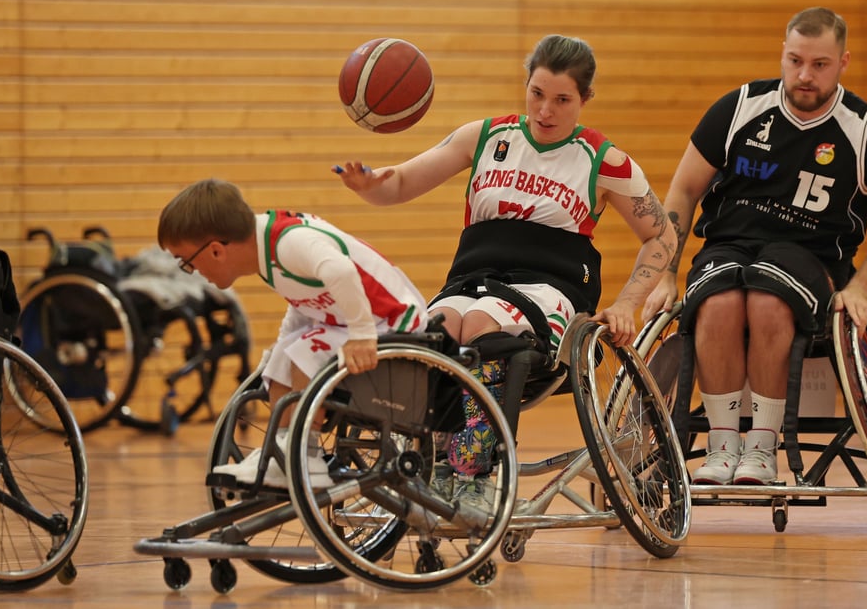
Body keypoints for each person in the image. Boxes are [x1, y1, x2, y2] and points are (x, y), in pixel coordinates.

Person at [335, 34, 677, 506]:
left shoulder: (603, 160)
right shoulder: (487, 136)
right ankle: (432, 462)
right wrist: (368, 184)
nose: (545, 111)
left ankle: (475, 472)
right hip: (472, 279)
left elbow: (661, 235)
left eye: (562, 100)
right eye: (537, 94)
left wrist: (627, 303)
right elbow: (399, 185)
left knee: (480, 329)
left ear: (585, 100)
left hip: (550, 286)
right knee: (437, 331)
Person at [641, 7, 867, 485]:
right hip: (728, 246)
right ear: (783, 54)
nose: (804, 75)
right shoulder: (740, 107)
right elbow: (684, 190)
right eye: (795, 61)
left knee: (769, 302)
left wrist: (863, 289)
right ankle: (724, 447)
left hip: (811, 256)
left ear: (843, 62)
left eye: (819, 64)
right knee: (717, 302)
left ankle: (763, 450)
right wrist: (665, 272)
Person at [157, 178, 429, 489]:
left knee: (305, 351)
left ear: (216, 250)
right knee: (283, 355)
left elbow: (340, 271)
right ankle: (283, 451)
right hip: (362, 322)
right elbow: (304, 304)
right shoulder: (264, 250)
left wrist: (362, 334)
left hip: (395, 320)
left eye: (188, 263)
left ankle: (305, 453)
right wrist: (279, 352)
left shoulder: (289, 242)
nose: (194, 272)